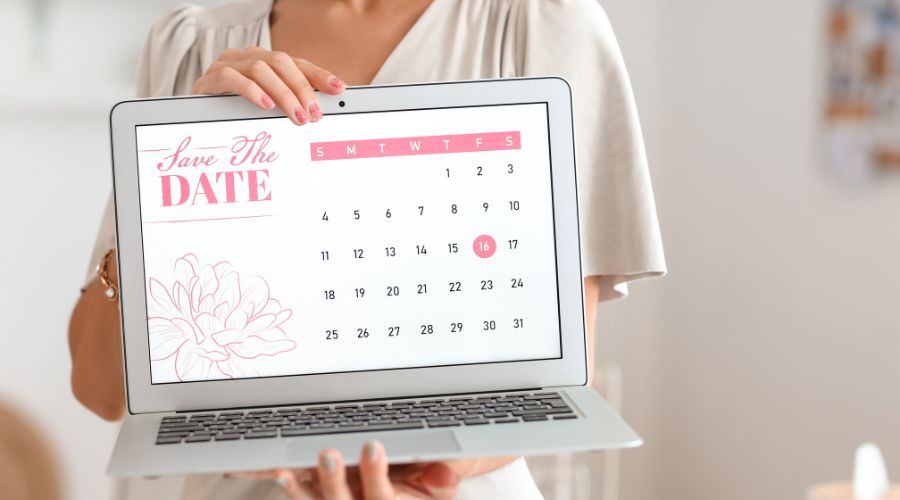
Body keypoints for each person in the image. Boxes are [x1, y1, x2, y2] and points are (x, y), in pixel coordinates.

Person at [68, 0, 666, 498]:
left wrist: (426, 469)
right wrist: (175, 185)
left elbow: (558, 376)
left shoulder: (540, 22)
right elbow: (103, 391)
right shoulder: (193, 40)